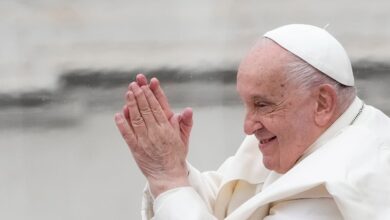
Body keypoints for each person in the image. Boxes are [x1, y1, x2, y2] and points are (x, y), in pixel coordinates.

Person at [114, 24, 390, 219]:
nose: (248, 126)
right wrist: (174, 166)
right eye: (245, 105)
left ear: (322, 103)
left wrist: (168, 181)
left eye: (262, 105)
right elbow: (223, 202)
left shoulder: (345, 185)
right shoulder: (303, 139)